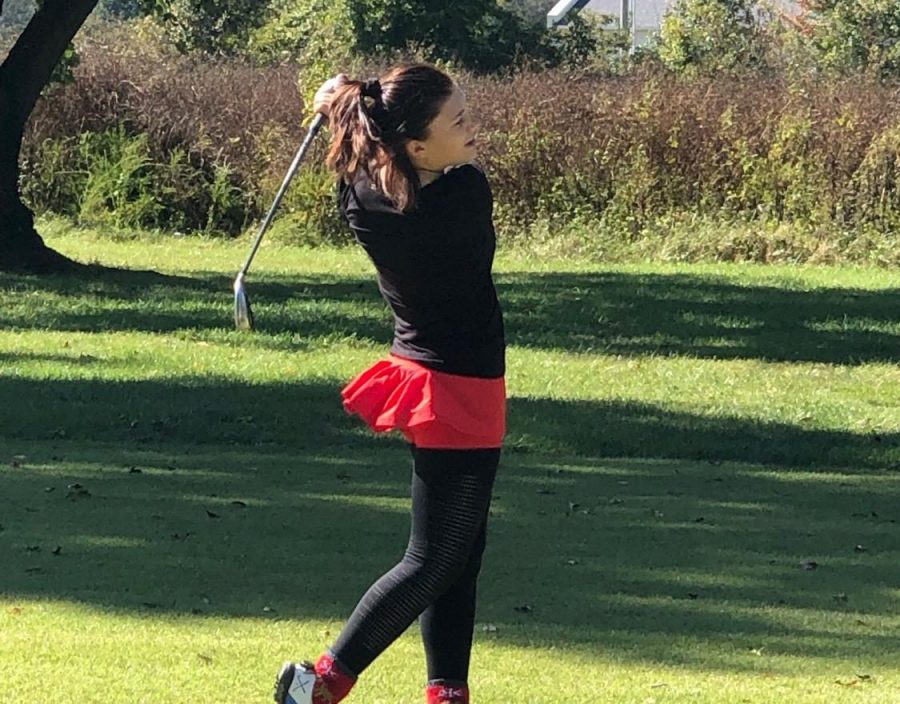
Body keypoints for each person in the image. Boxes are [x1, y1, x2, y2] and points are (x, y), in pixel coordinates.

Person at [273, 64, 506, 704]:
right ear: (415, 147)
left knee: (459, 554)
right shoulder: (464, 195)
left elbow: (366, 159)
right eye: (457, 120)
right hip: (459, 387)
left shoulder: (364, 201)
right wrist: (345, 99)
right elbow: (436, 169)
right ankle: (319, 682)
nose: (472, 128)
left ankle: (446, 694)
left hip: (428, 376)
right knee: (435, 558)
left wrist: (339, 105)